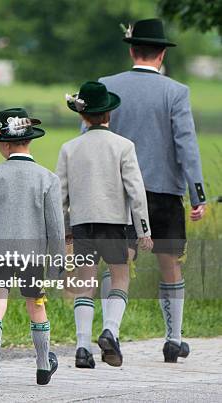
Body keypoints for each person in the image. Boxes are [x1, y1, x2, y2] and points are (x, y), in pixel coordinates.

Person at [99, 18, 206, 363]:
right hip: (162, 191)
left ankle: (110, 330)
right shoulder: (176, 92)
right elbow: (186, 145)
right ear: (161, 54)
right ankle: (173, 339)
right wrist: (197, 194)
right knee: (169, 263)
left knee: (118, 262)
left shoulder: (106, 86)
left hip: (116, 191)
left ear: (132, 50)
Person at [0, 108, 64, 387]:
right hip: (32, 255)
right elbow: (56, 228)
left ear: (5, 145)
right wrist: (57, 264)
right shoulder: (48, 179)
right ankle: (43, 366)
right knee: (36, 305)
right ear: (29, 140)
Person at [58, 81, 153, 368]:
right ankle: (110, 330)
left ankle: (82, 348)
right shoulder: (124, 146)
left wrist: (65, 230)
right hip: (115, 226)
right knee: (119, 278)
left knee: (84, 284)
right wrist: (144, 230)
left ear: (82, 116)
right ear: (109, 114)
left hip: (83, 225)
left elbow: (59, 195)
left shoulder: (69, 148)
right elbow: (136, 192)